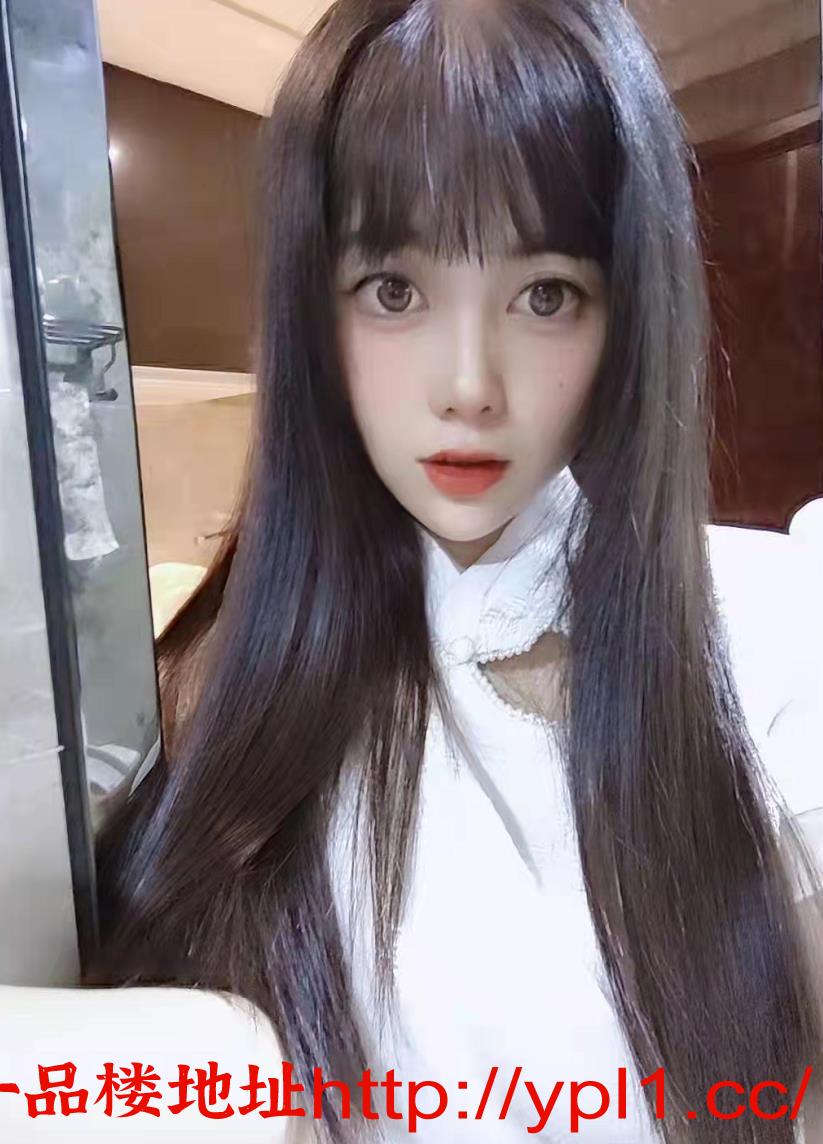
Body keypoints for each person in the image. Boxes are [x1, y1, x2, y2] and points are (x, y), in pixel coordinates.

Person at [86, 0, 823, 1140]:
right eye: (394, 290)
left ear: (628, 312)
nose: (469, 385)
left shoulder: (766, 630)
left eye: (545, 294)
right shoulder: (196, 698)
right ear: (310, 308)